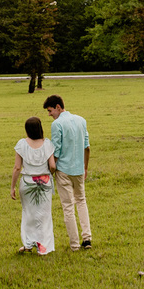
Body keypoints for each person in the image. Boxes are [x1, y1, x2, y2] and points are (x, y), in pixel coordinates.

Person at [43, 94, 92, 251]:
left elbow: (55, 150)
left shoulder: (57, 124)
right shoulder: (81, 120)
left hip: (63, 169)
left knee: (68, 206)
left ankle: (75, 244)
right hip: (78, 169)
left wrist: (51, 170)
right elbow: (87, 147)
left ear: (58, 107)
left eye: (50, 111)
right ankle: (87, 238)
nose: (50, 114)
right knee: (81, 201)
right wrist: (85, 167)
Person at [10, 116, 56, 255]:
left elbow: (17, 167)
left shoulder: (22, 144)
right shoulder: (47, 144)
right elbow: (52, 165)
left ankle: (28, 243)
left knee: (28, 214)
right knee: (44, 215)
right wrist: (49, 174)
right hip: (44, 182)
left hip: (27, 182)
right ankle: (43, 246)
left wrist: (12, 186)